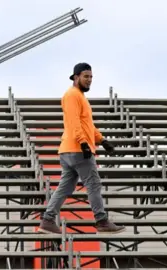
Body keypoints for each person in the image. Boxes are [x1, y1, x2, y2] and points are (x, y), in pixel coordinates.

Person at [38, 63, 126, 234]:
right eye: (86, 76)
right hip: (78, 149)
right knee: (93, 184)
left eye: (91, 77)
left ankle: (47, 220)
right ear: (76, 77)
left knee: (66, 186)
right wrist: (84, 143)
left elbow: (87, 125)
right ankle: (101, 221)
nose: (89, 80)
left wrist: (102, 140)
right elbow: (73, 122)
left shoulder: (79, 96)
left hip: (70, 149)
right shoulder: (72, 95)